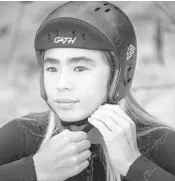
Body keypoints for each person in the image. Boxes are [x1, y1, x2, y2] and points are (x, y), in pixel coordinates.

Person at [0, 1, 175, 181]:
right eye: (52, 68)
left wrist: (134, 165)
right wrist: (33, 170)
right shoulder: (23, 135)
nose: (61, 84)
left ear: (120, 74)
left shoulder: (161, 144)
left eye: (80, 68)